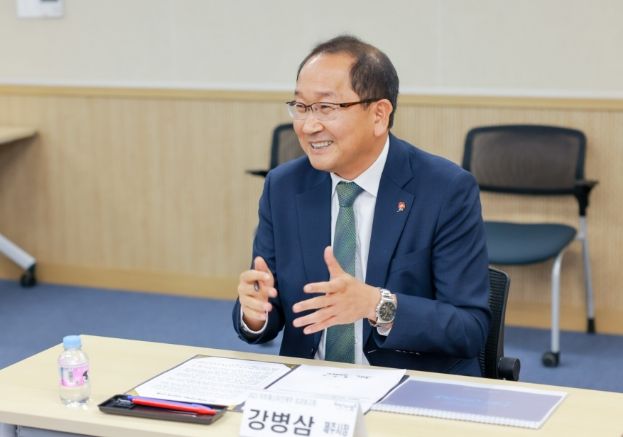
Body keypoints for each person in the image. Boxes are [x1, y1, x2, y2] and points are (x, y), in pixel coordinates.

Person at [232, 35, 490, 376]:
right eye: (301, 107)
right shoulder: (284, 186)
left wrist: (376, 305)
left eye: (326, 107)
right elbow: (269, 304)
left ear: (379, 114)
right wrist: (254, 313)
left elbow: (470, 329)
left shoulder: (445, 190)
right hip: (310, 385)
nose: (308, 126)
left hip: (407, 385)